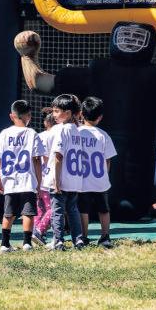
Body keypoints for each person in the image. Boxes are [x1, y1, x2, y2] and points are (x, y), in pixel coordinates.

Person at [0, 100, 44, 253]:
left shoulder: (4, 133)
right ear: (29, 116)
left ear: (11, 116)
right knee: (28, 213)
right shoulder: (32, 133)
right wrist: (39, 181)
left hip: (10, 180)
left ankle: (4, 244)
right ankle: (27, 243)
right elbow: (36, 159)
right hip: (27, 180)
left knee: (8, 213)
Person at [78, 97, 117, 249]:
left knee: (83, 209)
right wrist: (105, 175)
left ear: (81, 114)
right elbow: (108, 159)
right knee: (104, 209)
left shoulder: (77, 133)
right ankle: (105, 236)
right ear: (100, 117)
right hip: (100, 180)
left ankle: (84, 237)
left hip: (81, 179)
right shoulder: (103, 135)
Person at [48, 94, 85, 250]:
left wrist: (56, 181)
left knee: (57, 211)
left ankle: (58, 241)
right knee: (73, 210)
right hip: (74, 179)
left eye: (57, 111)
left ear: (68, 113)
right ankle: (78, 239)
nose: (54, 115)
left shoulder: (61, 130)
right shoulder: (77, 130)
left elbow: (58, 156)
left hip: (61, 179)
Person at [32, 111, 56, 247]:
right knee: (52, 207)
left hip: (37, 176)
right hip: (48, 177)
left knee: (40, 207)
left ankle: (36, 232)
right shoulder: (55, 136)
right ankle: (40, 231)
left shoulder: (39, 136)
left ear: (45, 123)